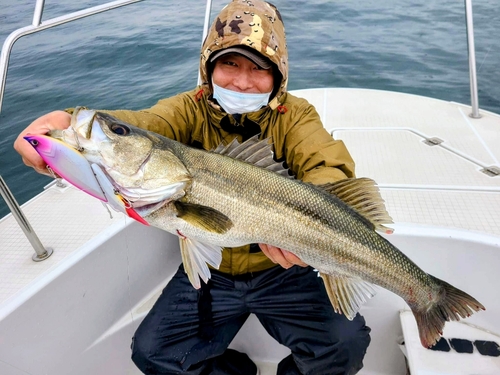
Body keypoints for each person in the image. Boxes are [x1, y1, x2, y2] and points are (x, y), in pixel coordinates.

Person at [14, 0, 371, 374]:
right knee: (153, 353)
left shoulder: (295, 116)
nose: (243, 80)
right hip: (213, 274)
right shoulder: (187, 109)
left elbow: (326, 164)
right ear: (209, 66)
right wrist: (65, 122)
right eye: (229, 64)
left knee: (345, 345)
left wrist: (313, 232)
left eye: (259, 68)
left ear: (279, 74)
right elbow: (143, 124)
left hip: (282, 267)